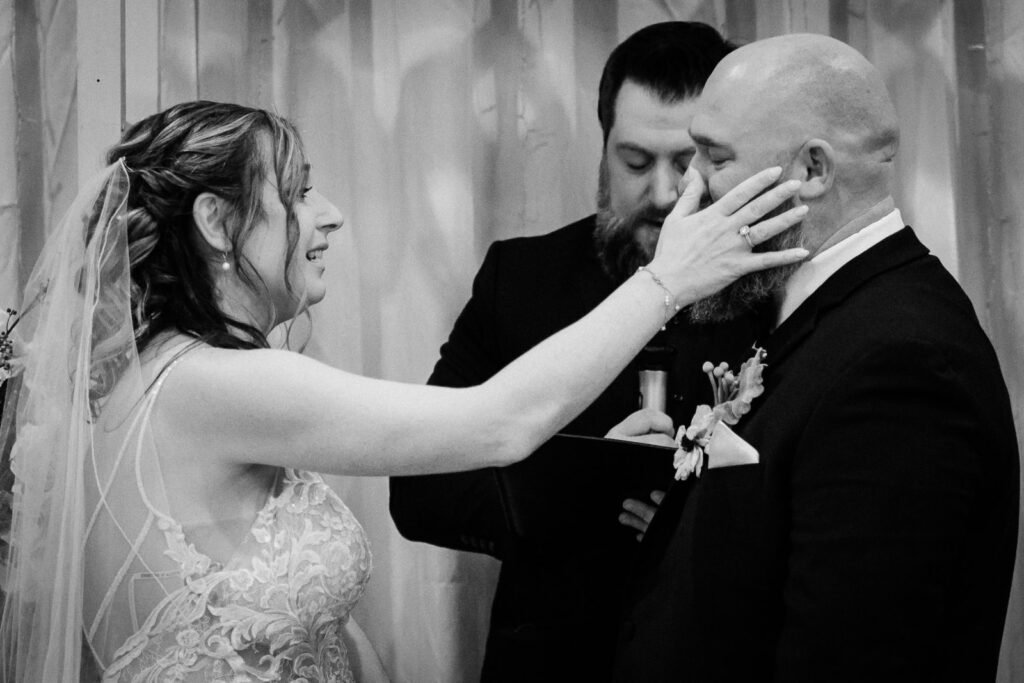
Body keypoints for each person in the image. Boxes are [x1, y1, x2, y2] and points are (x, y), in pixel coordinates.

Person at [0, 100, 807, 682]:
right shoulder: (219, 385)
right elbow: (498, 423)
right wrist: (669, 278)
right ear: (216, 221)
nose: (331, 214)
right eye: (299, 190)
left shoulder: (153, 378)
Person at [612, 33, 1020, 682]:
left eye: (713, 158)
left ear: (812, 171)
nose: (684, 192)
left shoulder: (902, 365)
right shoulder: (820, 308)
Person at [387, 21, 757, 681]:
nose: (666, 194)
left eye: (690, 162)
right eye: (636, 162)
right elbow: (420, 489)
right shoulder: (521, 280)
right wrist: (579, 484)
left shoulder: (779, 287)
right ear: (603, 148)